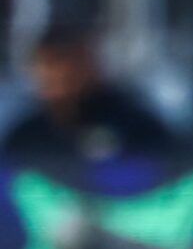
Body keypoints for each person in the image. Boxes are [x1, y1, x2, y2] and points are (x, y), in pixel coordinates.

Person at [3, 23, 173, 162]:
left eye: (66, 63)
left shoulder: (135, 125)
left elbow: (171, 165)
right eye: (46, 67)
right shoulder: (27, 135)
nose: (57, 75)